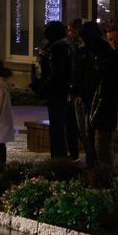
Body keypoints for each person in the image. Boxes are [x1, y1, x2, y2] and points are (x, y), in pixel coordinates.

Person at [78, 21, 118, 166]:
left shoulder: (104, 52)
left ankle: (103, 171)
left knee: (102, 139)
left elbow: (107, 80)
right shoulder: (90, 51)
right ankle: (94, 166)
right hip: (92, 99)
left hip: (103, 102)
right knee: (92, 135)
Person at [36, 21, 78, 159]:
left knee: (58, 127)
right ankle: (58, 156)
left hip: (58, 93)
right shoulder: (57, 47)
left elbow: (56, 73)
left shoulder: (59, 49)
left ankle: (59, 158)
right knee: (57, 127)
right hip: (58, 92)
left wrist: (44, 86)